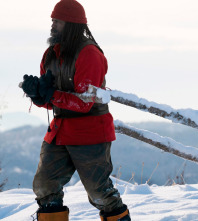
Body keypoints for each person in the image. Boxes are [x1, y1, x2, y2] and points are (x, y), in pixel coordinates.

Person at [21, 0, 131, 220]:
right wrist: (37, 95)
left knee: (99, 193)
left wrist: (51, 94)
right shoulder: (50, 55)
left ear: (71, 24)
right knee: (44, 186)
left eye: (58, 21)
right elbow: (51, 102)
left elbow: (84, 103)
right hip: (60, 131)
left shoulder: (90, 54)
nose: (53, 25)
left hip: (90, 133)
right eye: (52, 20)